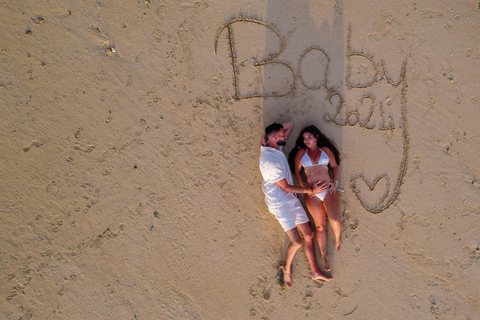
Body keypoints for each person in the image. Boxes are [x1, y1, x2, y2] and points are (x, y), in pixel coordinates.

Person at [259, 121, 333, 288]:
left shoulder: (274, 147)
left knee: (309, 234)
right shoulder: (269, 161)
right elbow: (284, 186)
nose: (286, 135)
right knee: (297, 242)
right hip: (279, 203)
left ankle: (315, 272)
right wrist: (309, 190)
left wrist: (267, 135)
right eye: (282, 134)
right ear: (275, 137)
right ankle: (286, 268)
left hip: (290, 198)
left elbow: (290, 124)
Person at [289, 125, 342, 272]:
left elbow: (335, 167)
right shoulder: (301, 153)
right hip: (312, 193)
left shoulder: (326, 151)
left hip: (328, 190)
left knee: (334, 220)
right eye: (305, 138)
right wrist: (304, 186)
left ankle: (337, 238)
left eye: (309, 137)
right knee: (320, 226)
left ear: (316, 137)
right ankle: (324, 255)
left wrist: (334, 183)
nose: (306, 140)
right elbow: (297, 171)